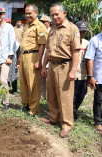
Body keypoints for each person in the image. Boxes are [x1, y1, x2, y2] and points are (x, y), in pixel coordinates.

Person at [41, 3, 80, 138]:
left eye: (57, 14)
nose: (54, 17)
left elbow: (76, 51)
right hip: (52, 65)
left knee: (65, 97)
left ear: (64, 13)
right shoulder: (52, 29)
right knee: (51, 94)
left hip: (65, 66)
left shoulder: (72, 28)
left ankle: (67, 124)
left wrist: (73, 70)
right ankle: (54, 118)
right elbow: (47, 50)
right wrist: (44, 66)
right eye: (52, 15)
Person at [19, 4, 48, 115]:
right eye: (26, 13)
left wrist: (38, 61)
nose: (27, 15)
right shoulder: (26, 26)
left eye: (30, 13)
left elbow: (42, 45)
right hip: (24, 56)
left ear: (36, 13)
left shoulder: (40, 26)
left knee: (33, 84)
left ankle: (33, 109)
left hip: (33, 56)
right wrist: (19, 58)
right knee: (23, 82)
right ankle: (25, 104)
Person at [0, 7, 16, 110]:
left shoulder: (9, 27)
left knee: (3, 80)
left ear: (4, 14)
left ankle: (5, 102)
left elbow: (13, 43)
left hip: (5, 58)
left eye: (0, 13)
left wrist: (10, 57)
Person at [85, 23, 102, 135]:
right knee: (99, 99)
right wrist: (90, 76)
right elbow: (90, 59)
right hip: (99, 76)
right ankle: (98, 121)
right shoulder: (95, 40)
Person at [73, 21, 89, 121]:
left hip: (83, 75)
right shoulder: (71, 42)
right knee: (72, 97)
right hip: (72, 74)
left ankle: (73, 112)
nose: (82, 34)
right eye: (80, 32)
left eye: (84, 32)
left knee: (81, 94)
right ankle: (72, 116)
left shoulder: (87, 43)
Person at [8, 18, 23, 95]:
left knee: (14, 73)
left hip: (14, 56)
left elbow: (18, 50)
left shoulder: (12, 30)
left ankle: (14, 89)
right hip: (5, 57)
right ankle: (6, 88)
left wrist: (18, 62)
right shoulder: (11, 29)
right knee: (6, 73)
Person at [40, 15, 51, 100]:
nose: (42, 23)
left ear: (48, 23)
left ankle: (48, 98)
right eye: (41, 22)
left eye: (44, 22)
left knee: (49, 81)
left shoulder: (52, 32)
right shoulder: (41, 32)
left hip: (49, 61)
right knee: (41, 80)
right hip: (41, 59)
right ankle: (43, 97)